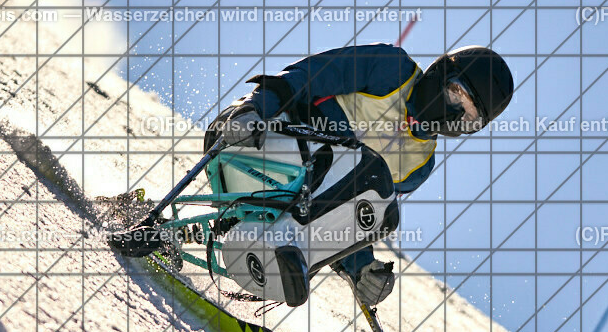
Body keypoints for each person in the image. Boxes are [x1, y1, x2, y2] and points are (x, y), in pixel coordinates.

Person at [204, 43, 514, 306]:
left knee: (377, 202)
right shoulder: (393, 70)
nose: (456, 114)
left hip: (287, 210)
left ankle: (277, 258)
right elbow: (310, 75)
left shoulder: (419, 166)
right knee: (358, 166)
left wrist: (362, 268)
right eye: (456, 93)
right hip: (253, 140)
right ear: (441, 73)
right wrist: (253, 108)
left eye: (469, 118)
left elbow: (353, 216)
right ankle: (279, 248)